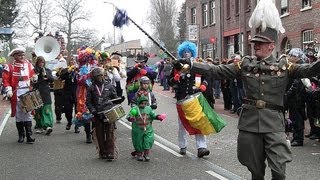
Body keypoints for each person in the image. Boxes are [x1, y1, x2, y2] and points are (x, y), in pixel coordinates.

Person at [175, 1, 320, 178]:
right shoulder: (245, 65)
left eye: (260, 43)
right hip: (250, 123)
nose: (255, 45)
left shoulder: (285, 66)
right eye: (254, 42)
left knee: (279, 170)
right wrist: (190, 64)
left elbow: (311, 69)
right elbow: (216, 71)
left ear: (271, 46)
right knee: (255, 170)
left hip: (274, 124)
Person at [169, 41, 210, 158]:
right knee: (182, 123)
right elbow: (170, 81)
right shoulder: (177, 66)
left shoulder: (198, 64)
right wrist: (175, 78)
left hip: (196, 97)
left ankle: (201, 147)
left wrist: (204, 85)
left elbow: (207, 77)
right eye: (185, 52)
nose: (187, 54)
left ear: (192, 53)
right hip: (182, 98)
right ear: (182, 53)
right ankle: (182, 145)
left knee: (199, 121)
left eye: (189, 52)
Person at [86, 67, 123, 160]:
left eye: (101, 75)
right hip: (98, 113)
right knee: (99, 133)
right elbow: (88, 102)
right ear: (94, 77)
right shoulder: (91, 87)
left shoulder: (109, 86)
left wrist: (119, 99)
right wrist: (93, 110)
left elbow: (115, 98)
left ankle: (110, 153)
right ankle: (102, 152)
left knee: (110, 132)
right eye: (98, 76)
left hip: (109, 112)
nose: (100, 77)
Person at [2, 48, 38, 143]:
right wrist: (8, 89)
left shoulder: (28, 65)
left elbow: (32, 75)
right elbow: (5, 80)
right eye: (19, 55)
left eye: (23, 55)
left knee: (28, 113)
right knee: (19, 114)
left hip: (27, 92)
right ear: (14, 56)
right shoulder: (9, 67)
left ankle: (29, 136)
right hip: (16, 93)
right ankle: (21, 135)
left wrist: (34, 78)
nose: (22, 56)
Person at [127, 95, 166, 161]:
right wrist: (131, 118)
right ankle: (139, 154)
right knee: (138, 142)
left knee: (148, 140)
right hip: (138, 130)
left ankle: (146, 154)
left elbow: (153, 115)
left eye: (145, 103)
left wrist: (159, 117)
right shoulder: (135, 109)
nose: (143, 105)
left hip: (148, 129)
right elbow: (129, 116)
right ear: (138, 103)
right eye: (142, 103)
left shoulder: (148, 108)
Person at [33, 56, 55, 135]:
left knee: (46, 109)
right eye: (40, 62)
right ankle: (40, 126)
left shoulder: (47, 70)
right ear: (37, 62)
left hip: (45, 92)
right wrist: (36, 76)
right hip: (36, 91)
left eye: (42, 62)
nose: (41, 64)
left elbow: (52, 79)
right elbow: (31, 81)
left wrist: (47, 76)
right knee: (37, 110)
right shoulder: (34, 70)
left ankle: (48, 126)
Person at [59, 59, 78, 131]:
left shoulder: (78, 70)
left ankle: (77, 125)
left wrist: (77, 72)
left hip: (76, 92)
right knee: (68, 109)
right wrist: (68, 71)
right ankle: (69, 121)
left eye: (74, 62)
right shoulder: (66, 70)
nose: (73, 63)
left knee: (77, 110)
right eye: (71, 61)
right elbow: (61, 77)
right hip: (67, 92)